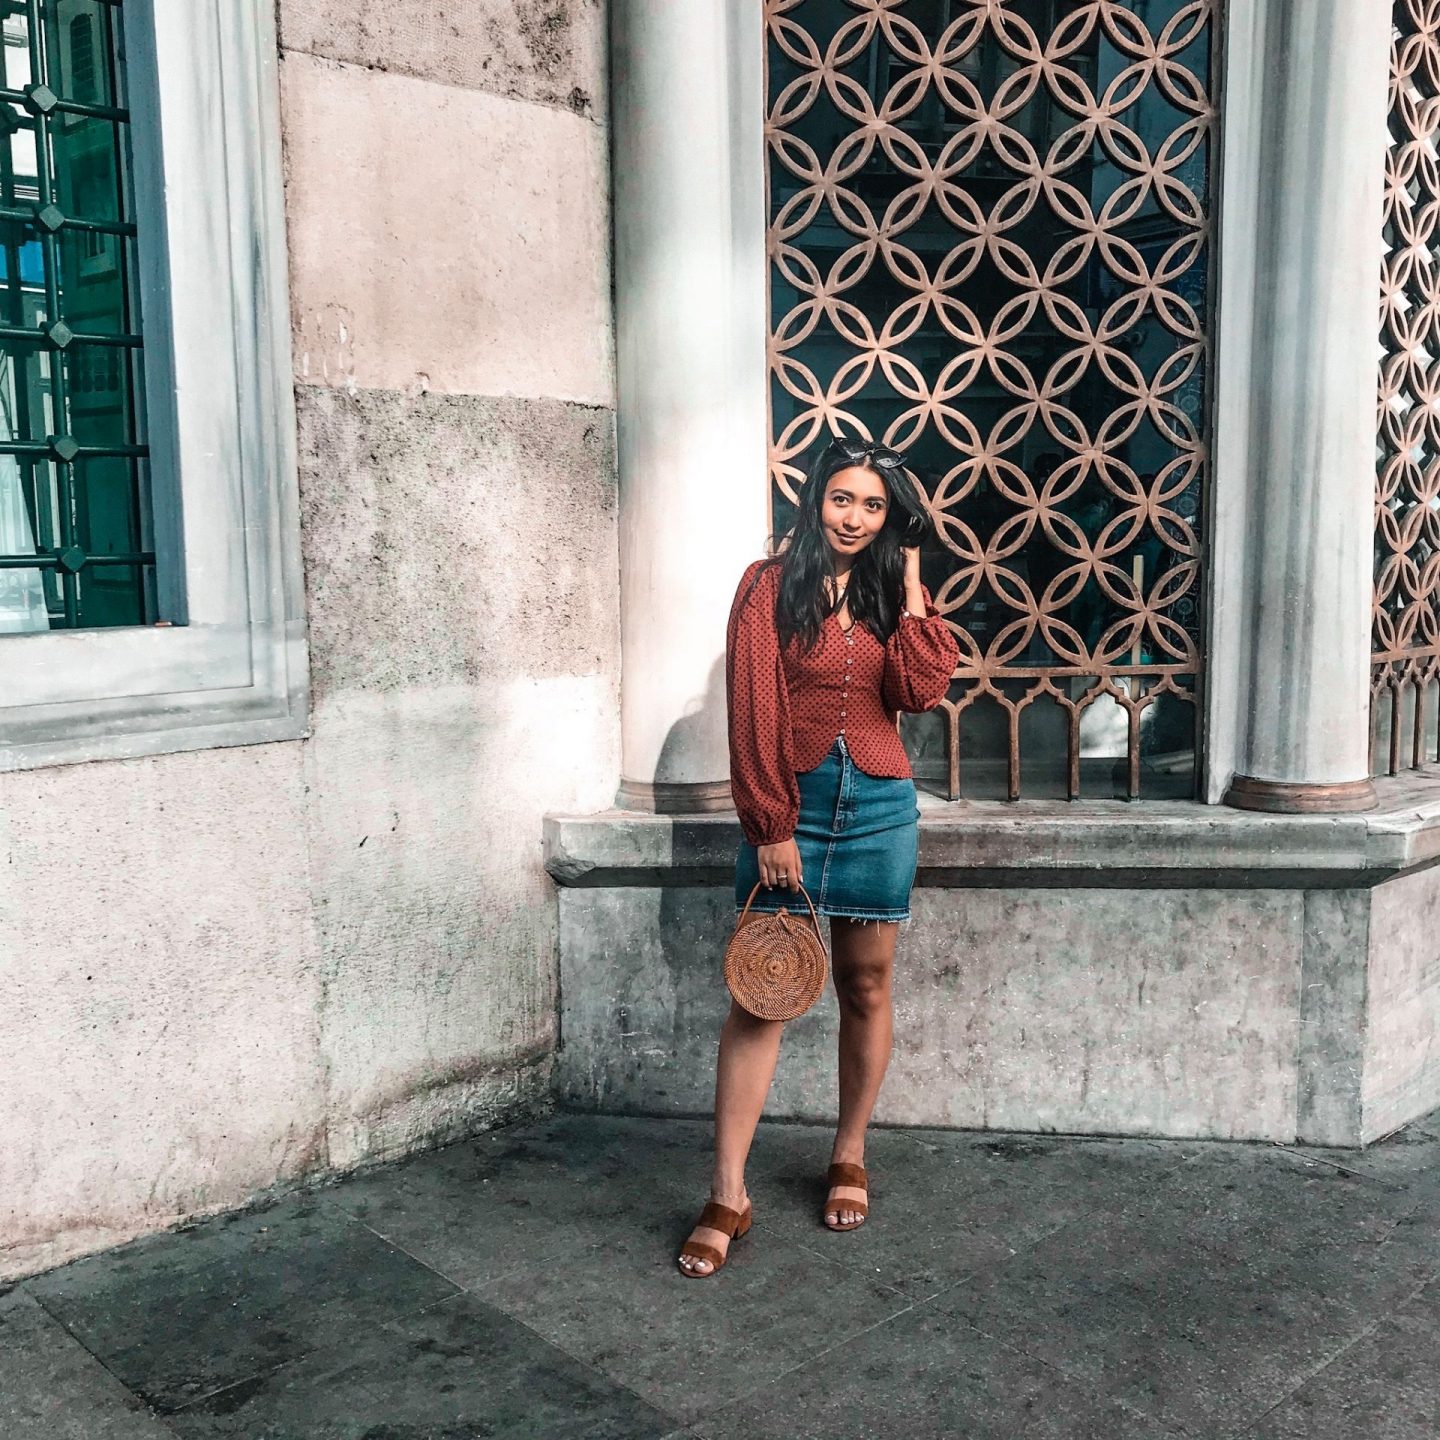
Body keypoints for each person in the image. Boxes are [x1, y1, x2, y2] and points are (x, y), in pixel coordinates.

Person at [676, 436, 961, 1278]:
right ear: (815, 499)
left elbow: (918, 691)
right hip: (791, 804)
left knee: (866, 984)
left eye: (874, 505)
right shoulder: (768, 586)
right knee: (762, 993)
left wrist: (910, 585)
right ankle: (729, 1192)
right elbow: (753, 704)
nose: (856, 517)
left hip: (879, 804)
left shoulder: (888, 591)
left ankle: (848, 1152)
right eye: (844, 499)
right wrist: (770, 823)